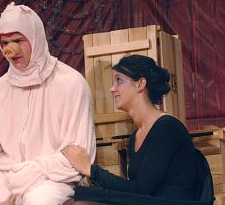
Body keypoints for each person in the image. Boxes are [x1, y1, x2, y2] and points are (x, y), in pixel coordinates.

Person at [0, 2, 96, 205]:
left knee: (40, 201)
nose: (10, 50)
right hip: (4, 176)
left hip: (52, 178)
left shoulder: (70, 84)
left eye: (18, 40)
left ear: (35, 38)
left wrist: (35, 171)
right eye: (4, 43)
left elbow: (78, 154)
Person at [62, 54, 197, 204]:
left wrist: (90, 169)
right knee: (73, 197)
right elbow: (134, 192)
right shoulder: (136, 136)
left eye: (119, 80)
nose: (112, 89)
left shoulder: (167, 128)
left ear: (140, 84)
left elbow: (141, 190)